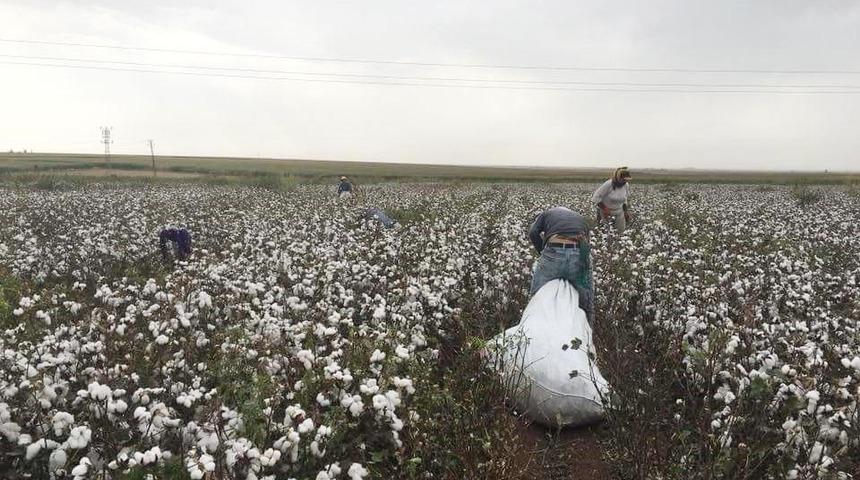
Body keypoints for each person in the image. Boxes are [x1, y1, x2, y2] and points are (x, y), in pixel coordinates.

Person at [528, 207, 594, 324]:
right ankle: (588, 333)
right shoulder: (580, 219)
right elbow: (586, 245)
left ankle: (528, 327)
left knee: (536, 295)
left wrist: (542, 251)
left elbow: (533, 232)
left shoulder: (546, 214)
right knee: (586, 302)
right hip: (577, 253)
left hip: (554, 252)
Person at [591, 167, 632, 233]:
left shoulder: (626, 185)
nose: (625, 181)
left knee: (620, 232)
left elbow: (625, 199)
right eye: (624, 180)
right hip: (606, 213)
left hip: (619, 212)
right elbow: (596, 197)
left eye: (627, 180)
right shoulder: (608, 184)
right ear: (618, 178)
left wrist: (625, 212)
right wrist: (605, 209)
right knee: (605, 233)